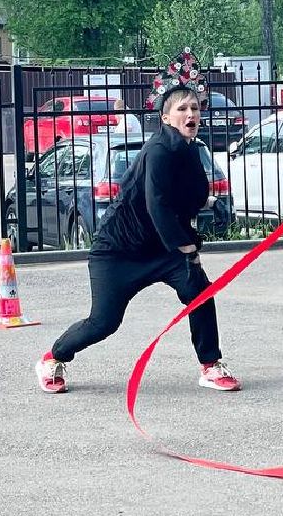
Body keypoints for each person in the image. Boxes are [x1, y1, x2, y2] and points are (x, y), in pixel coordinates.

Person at [35, 73, 239, 395]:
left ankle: (210, 365)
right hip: (119, 251)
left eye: (195, 108)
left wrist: (212, 203)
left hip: (162, 248)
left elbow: (187, 193)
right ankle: (53, 358)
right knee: (104, 323)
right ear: (166, 118)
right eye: (182, 109)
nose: (191, 114)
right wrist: (188, 248)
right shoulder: (159, 150)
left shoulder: (190, 150)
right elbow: (157, 204)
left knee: (200, 294)